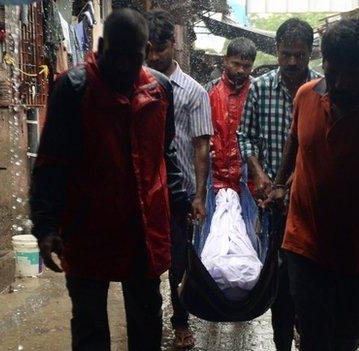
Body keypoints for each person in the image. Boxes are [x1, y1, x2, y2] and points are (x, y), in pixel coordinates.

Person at [30, 9, 188, 350]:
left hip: (143, 229)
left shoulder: (159, 90)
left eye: (131, 57)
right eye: (114, 55)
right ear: (101, 47)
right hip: (87, 227)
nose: (121, 66)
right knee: (89, 327)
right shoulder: (73, 87)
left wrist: (181, 204)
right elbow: (51, 163)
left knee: (146, 321)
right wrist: (45, 226)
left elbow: (166, 153)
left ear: (145, 52)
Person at [267, 19, 359, 351]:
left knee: (349, 332)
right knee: (313, 330)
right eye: (330, 71)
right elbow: (295, 141)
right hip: (304, 241)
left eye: (347, 74)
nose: (336, 83)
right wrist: (279, 184)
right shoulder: (306, 96)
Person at [237, 18, 321, 351]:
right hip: (271, 205)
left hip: (309, 203)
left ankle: (305, 332)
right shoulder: (259, 88)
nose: (291, 63)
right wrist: (257, 170)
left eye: (299, 56)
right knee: (279, 282)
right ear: (276, 50)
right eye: (286, 54)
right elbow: (244, 136)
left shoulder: (322, 90)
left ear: (310, 53)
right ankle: (282, 342)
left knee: (309, 280)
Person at [145, 9, 213, 350]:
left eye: (161, 48)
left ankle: (180, 318)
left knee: (178, 260)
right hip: (145, 191)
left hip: (180, 191)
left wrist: (199, 195)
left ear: (173, 45)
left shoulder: (193, 91)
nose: (155, 56)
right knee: (145, 259)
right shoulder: (137, 83)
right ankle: (148, 318)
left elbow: (202, 147)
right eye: (149, 49)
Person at [205, 37, 257, 192]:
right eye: (236, 64)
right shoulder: (208, 91)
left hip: (252, 181)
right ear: (225, 60)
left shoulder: (258, 91)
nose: (241, 70)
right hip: (215, 181)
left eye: (246, 66)